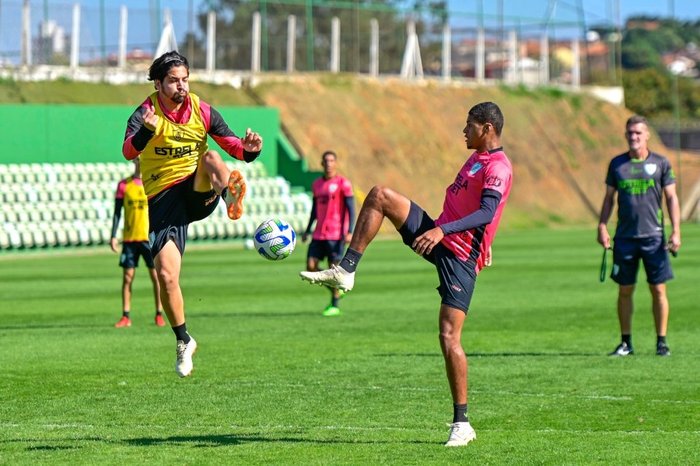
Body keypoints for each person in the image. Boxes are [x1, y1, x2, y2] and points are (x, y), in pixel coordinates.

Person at [300, 102, 512, 447]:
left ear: (487, 128)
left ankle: (462, 423)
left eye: (469, 125)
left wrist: (454, 235)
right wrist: (445, 231)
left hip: (459, 257)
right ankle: (346, 269)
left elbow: (488, 212)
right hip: (440, 237)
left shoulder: (499, 167)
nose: (464, 130)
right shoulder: (476, 159)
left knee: (448, 337)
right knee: (380, 195)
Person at [121, 51, 263, 377]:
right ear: (158, 83)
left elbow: (234, 146)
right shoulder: (146, 112)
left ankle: (230, 197)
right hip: (163, 200)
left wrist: (251, 150)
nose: (181, 86)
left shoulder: (202, 109)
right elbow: (128, 150)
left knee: (211, 158)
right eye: (173, 81)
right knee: (166, 276)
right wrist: (146, 131)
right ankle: (184, 339)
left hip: (199, 189)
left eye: (185, 79)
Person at [597, 115, 681, 357]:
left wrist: (676, 230)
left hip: (654, 237)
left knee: (658, 290)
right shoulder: (617, 164)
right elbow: (608, 199)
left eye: (638, 133)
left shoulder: (661, 163)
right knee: (625, 290)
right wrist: (602, 225)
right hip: (624, 238)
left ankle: (661, 342)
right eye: (630, 133)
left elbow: (672, 198)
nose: (633, 137)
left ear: (647, 135)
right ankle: (626, 343)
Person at [110, 158, 164, 328]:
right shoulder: (124, 185)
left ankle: (159, 314)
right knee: (127, 277)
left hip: (149, 238)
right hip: (130, 239)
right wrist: (113, 235)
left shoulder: (153, 182)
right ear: (134, 159)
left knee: (156, 277)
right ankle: (125, 316)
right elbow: (117, 212)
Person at [301, 150, 356, 317]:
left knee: (335, 269)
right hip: (319, 234)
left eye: (332, 160)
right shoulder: (317, 184)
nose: (329, 163)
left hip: (336, 234)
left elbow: (351, 209)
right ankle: (337, 288)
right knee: (310, 267)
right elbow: (314, 210)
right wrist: (308, 229)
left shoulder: (343, 184)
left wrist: (349, 231)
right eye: (326, 160)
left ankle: (334, 305)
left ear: (336, 163)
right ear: (321, 163)